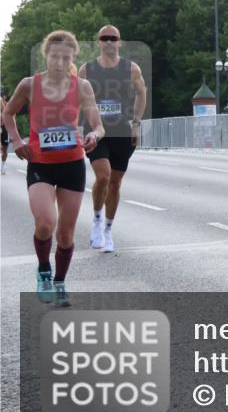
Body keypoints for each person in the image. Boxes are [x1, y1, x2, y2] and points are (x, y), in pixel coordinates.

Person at [1, 31, 104, 306]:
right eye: (55, 56)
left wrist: (95, 135)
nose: (59, 61)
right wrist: (17, 140)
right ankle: (44, 270)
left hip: (72, 164)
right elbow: (7, 113)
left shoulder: (81, 86)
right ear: (46, 55)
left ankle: (59, 282)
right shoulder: (29, 85)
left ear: (72, 58)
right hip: (40, 165)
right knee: (46, 223)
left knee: (66, 234)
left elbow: (98, 123)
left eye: (66, 57)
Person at [78, 25, 147, 252]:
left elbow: (141, 93)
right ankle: (97, 220)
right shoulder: (86, 70)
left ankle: (108, 229)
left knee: (115, 183)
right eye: (104, 38)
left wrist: (136, 123)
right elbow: (76, 98)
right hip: (95, 131)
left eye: (113, 38)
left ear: (119, 42)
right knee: (104, 176)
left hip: (121, 131)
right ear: (98, 42)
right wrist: (77, 125)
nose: (108, 42)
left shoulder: (131, 69)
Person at [1, 89, 9, 175]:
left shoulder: (8, 105)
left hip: (4, 129)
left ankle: (3, 165)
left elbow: (12, 116)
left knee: (4, 148)